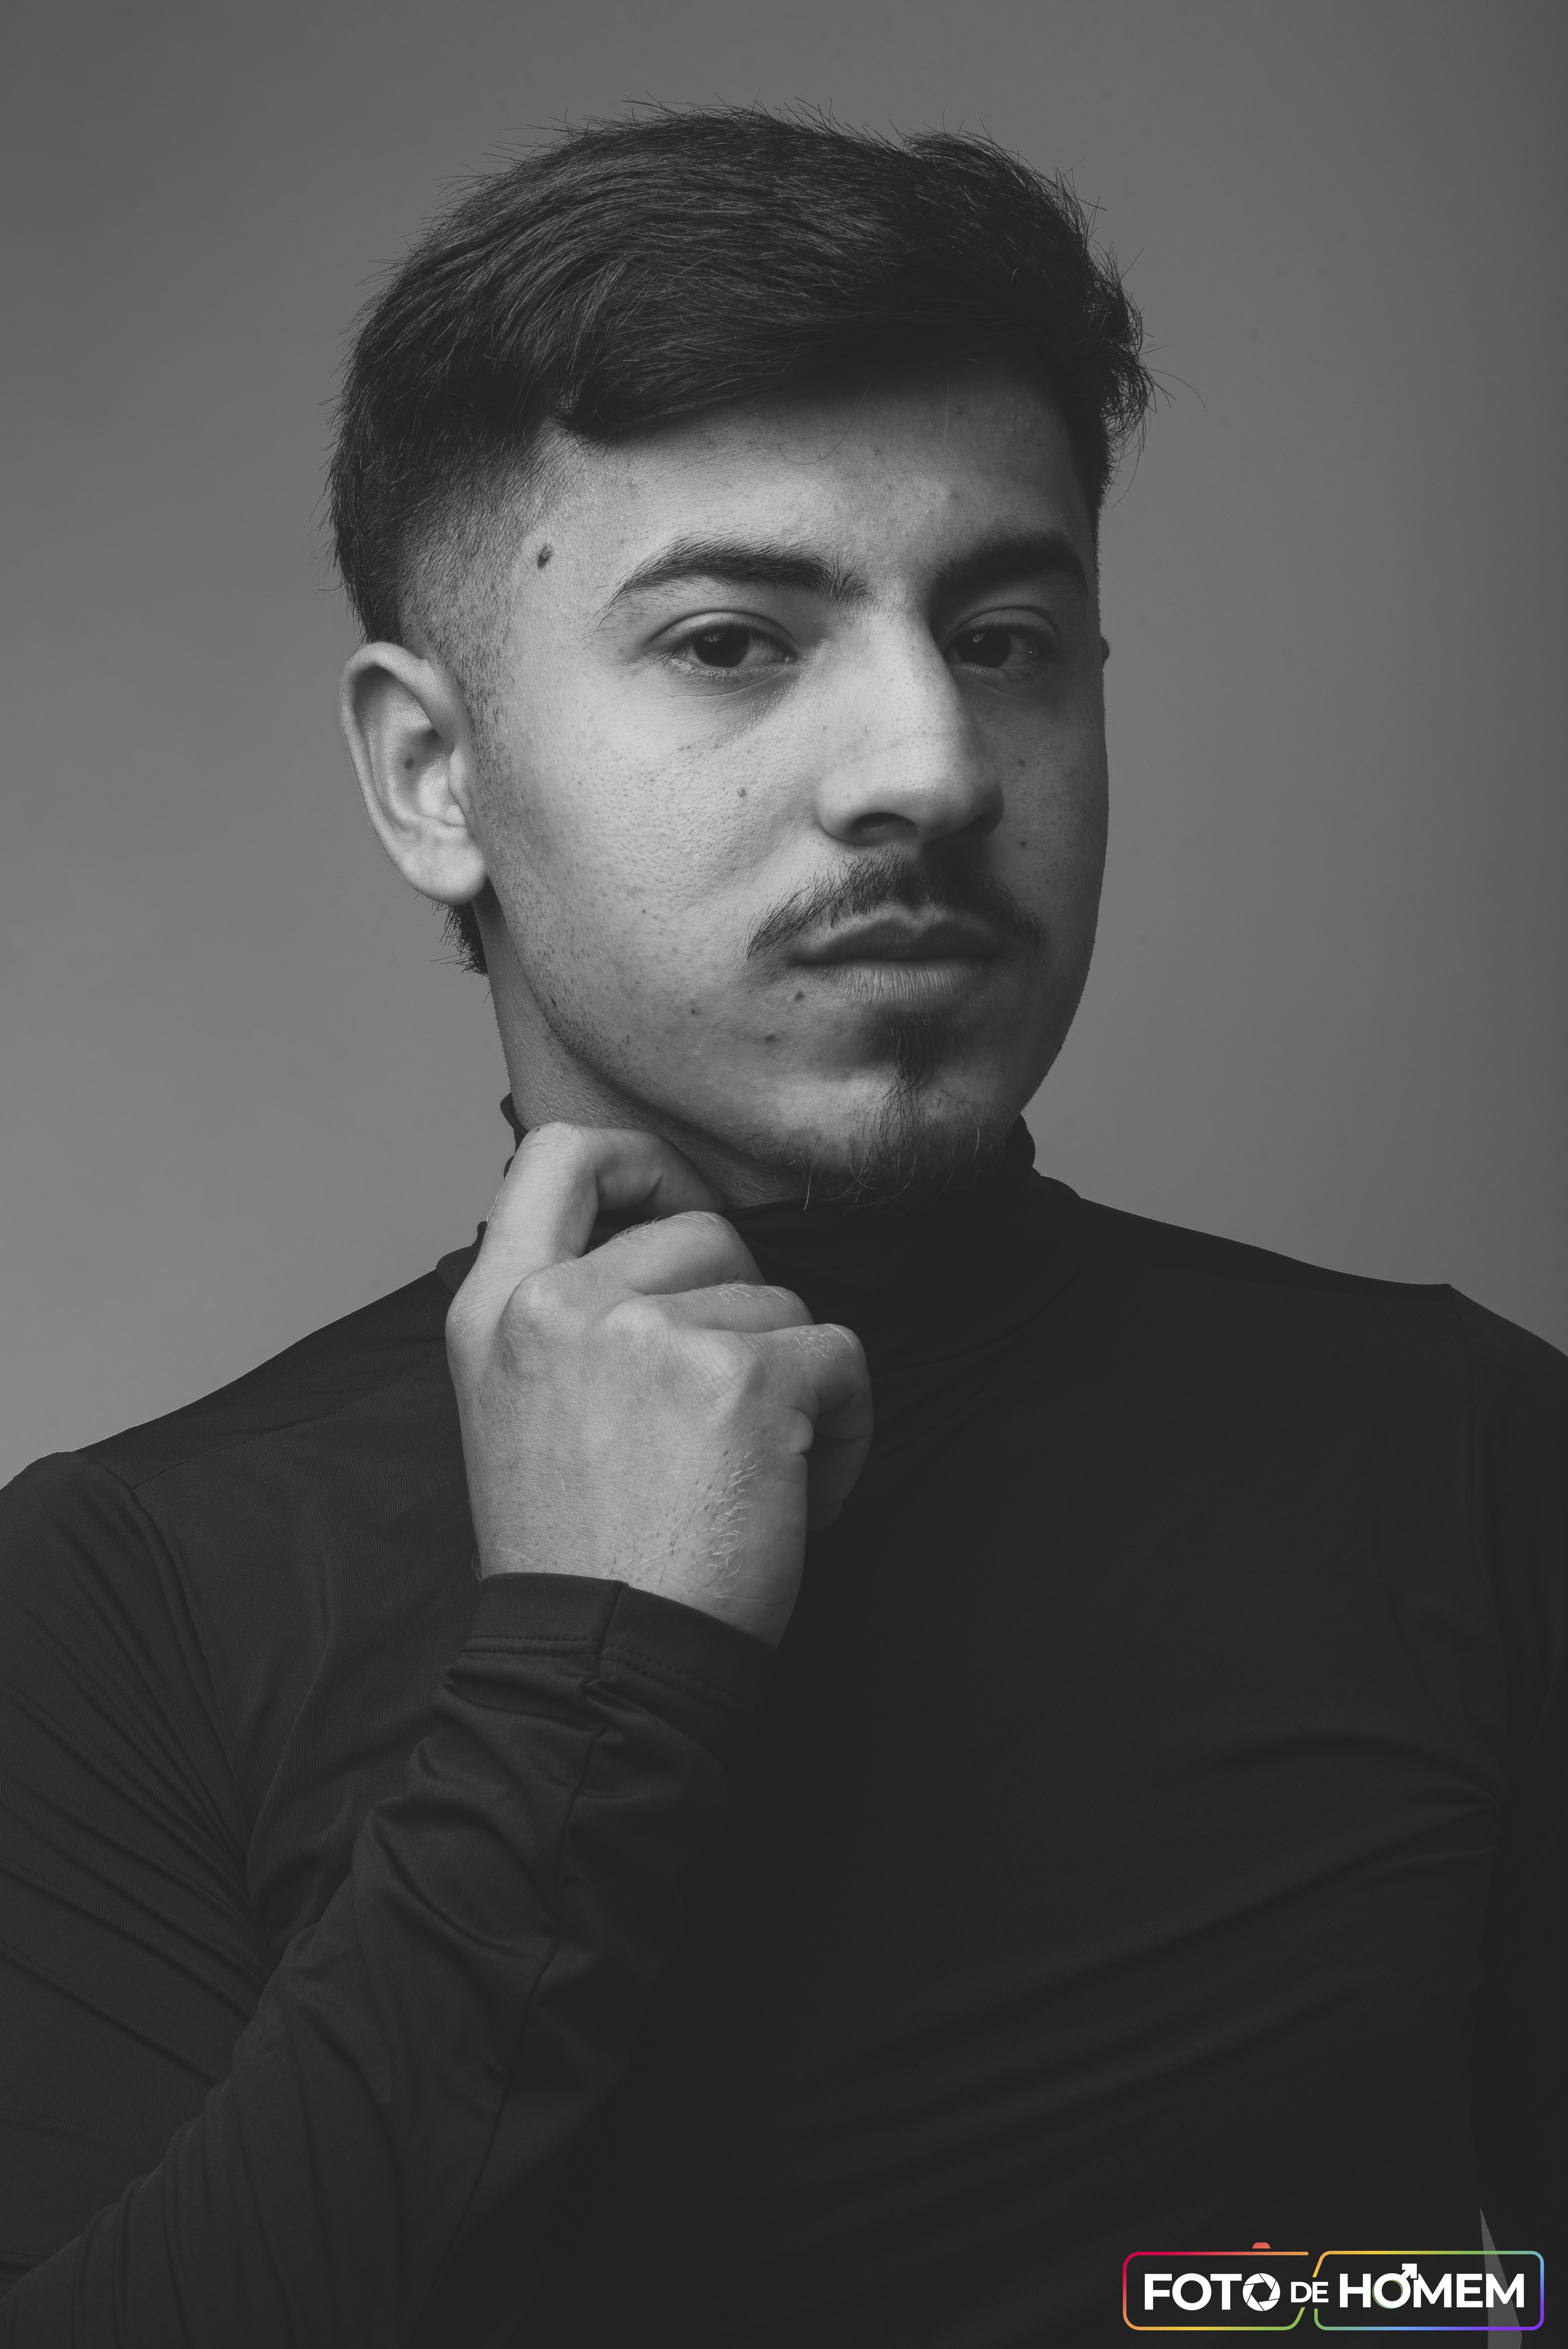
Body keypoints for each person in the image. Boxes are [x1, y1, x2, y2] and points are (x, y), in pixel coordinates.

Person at [0, 107, 1561, 2349]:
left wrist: (1285, 2307)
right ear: (434, 777)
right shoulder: (122, 1595)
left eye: (1006, 635)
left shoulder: (1467, 1455)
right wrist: (595, 1665)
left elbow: (1489, 2295)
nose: (931, 765)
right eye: (735, 641)